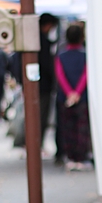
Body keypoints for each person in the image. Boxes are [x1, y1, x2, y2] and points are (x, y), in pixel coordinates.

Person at [55, 24, 92, 171]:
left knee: (67, 127)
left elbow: (60, 76)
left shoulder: (60, 56)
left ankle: (70, 156)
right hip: (82, 97)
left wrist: (69, 92)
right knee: (82, 128)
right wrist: (77, 92)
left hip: (64, 98)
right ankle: (81, 157)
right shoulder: (86, 56)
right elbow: (85, 74)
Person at [38, 13, 58, 146]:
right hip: (43, 85)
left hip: (41, 84)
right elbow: (46, 64)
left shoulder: (39, 39)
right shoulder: (43, 41)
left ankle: (37, 145)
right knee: (41, 116)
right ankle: (38, 144)